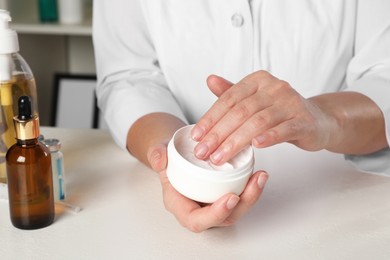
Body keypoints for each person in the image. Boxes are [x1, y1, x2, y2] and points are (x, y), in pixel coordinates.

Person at [93, 0, 390, 232]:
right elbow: (129, 76)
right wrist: (172, 160)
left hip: (347, 199)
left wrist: (323, 117)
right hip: (164, 223)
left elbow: (384, 74)